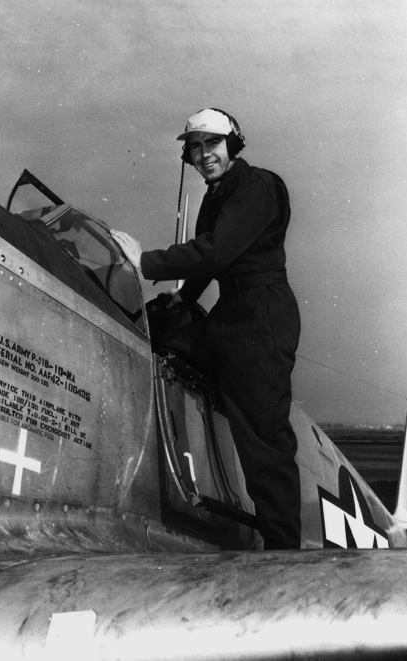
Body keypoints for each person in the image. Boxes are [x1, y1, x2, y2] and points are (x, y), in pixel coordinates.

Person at [111, 108, 301, 549]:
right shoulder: (218, 195)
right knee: (167, 339)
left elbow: (216, 251)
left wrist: (145, 261)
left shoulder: (257, 186)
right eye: (195, 147)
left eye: (212, 144)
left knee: (264, 441)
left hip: (260, 318)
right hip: (230, 314)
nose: (203, 154)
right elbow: (213, 259)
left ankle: (284, 555)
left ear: (232, 145)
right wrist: (183, 297)